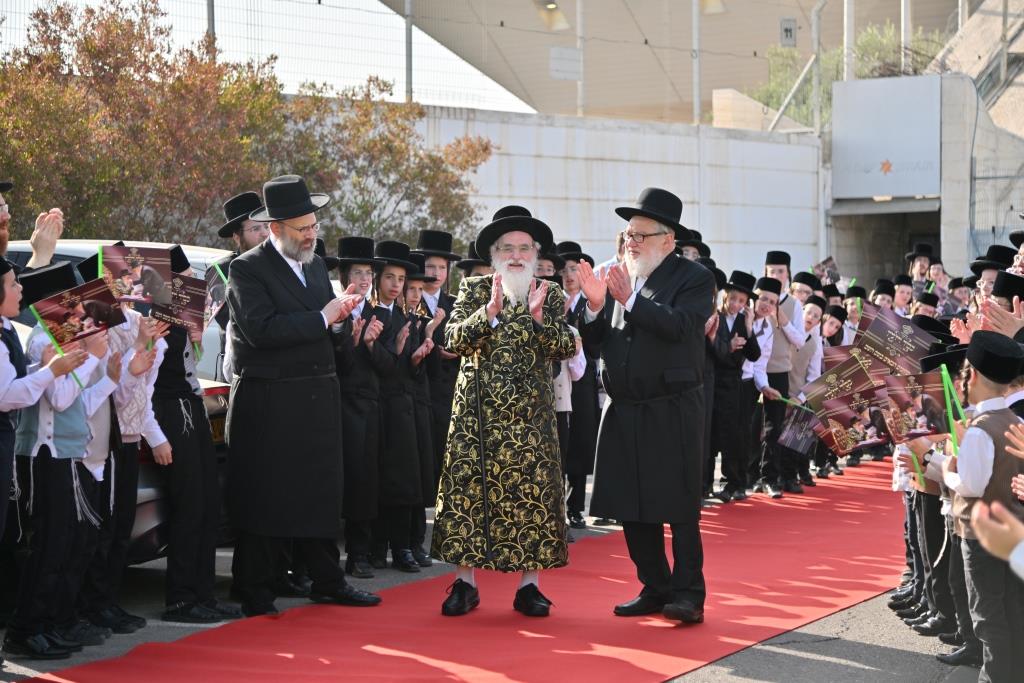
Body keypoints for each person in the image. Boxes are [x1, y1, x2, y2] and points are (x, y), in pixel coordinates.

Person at [225, 175, 380, 616]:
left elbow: (321, 325)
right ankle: (256, 590)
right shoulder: (247, 269)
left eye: (314, 225)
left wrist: (339, 323)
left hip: (318, 399)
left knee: (320, 493)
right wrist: (321, 317)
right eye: (302, 228)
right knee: (268, 495)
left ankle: (327, 580)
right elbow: (260, 330)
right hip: (273, 403)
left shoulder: (314, 264)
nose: (312, 234)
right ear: (275, 228)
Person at [577, 187, 714, 624]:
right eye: (627, 234)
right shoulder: (622, 276)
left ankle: (688, 593)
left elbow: (681, 327)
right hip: (625, 408)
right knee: (630, 506)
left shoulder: (694, 279)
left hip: (671, 408)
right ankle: (655, 586)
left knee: (678, 506)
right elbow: (599, 344)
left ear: (667, 240)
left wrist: (628, 301)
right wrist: (597, 308)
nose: (630, 242)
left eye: (640, 234)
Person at [432, 205, 575, 618]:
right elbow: (453, 340)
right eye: (507, 248)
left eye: (524, 248)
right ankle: (465, 583)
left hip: (531, 420)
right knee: (468, 498)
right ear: (494, 254)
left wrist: (535, 322)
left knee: (531, 495)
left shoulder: (550, 294)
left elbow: (566, 347)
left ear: (535, 253)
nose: (516, 255)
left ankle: (529, 587)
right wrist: (489, 314)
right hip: (475, 417)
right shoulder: (474, 291)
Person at [940, 331, 1024, 682]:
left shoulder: (979, 430)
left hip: (979, 536)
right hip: (1013, 530)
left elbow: (972, 486)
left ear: (971, 375)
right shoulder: (1017, 421)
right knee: (1012, 612)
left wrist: (947, 470)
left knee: (987, 615)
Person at [333, 237, 387, 579]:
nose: (365, 278)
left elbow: (389, 366)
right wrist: (349, 342)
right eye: (358, 271)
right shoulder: (333, 311)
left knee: (365, 483)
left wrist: (369, 344)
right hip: (336, 406)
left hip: (368, 408)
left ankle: (359, 554)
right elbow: (330, 361)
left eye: (369, 272)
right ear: (344, 277)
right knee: (335, 484)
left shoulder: (379, 313)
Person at [411, 230, 462, 497]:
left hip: (449, 386)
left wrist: (458, 351)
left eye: (442, 266)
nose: (436, 271)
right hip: (420, 383)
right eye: (430, 265)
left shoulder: (456, 304)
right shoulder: (410, 300)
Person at [556, 241, 600, 529]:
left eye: (575, 269)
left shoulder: (590, 304)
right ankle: (556, 506)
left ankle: (575, 506)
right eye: (565, 270)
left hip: (583, 383)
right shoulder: (552, 301)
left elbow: (597, 345)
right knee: (560, 443)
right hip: (558, 382)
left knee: (582, 441)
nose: (569, 275)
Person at [710, 271, 761, 502]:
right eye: (733, 299)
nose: (736, 304)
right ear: (725, 296)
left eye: (741, 301)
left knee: (733, 436)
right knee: (711, 436)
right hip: (713, 381)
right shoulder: (715, 316)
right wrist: (728, 347)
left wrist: (750, 328)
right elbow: (711, 351)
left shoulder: (743, 321)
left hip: (734, 386)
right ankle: (705, 484)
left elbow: (754, 354)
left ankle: (734, 484)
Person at [758, 251, 805, 495]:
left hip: (779, 371)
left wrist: (782, 319)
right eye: (771, 271)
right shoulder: (759, 298)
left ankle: (771, 477)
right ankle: (748, 476)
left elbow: (799, 340)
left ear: (788, 275)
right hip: (752, 372)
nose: (776, 275)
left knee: (775, 428)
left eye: (780, 271)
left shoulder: (793, 304)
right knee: (752, 427)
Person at [214, 191, 267, 383]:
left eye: (265, 226)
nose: (264, 233)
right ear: (237, 236)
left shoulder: (278, 265)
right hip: (238, 370)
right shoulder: (221, 269)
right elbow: (229, 318)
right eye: (255, 229)